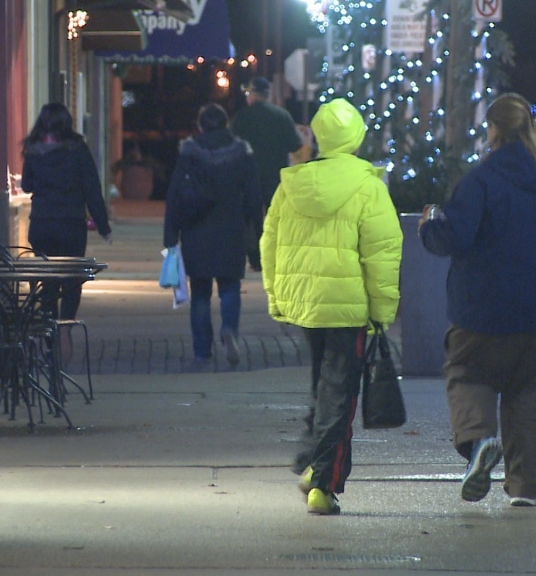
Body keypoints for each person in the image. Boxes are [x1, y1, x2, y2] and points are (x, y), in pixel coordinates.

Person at [418, 93, 536, 508]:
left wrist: (430, 225)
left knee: (467, 371)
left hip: (486, 310)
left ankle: (479, 443)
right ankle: (526, 489)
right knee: (532, 392)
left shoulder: (481, 180)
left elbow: (454, 237)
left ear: (494, 130)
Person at [260, 98, 402, 515]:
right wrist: (382, 311)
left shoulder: (292, 185)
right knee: (341, 394)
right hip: (349, 309)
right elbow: (382, 255)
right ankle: (324, 481)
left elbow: (270, 244)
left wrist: (277, 296)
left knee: (323, 383)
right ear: (356, 138)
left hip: (306, 305)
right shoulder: (369, 187)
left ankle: (313, 460)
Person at [163, 103, 261, 370]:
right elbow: (254, 199)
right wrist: (257, 246)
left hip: (197, 232)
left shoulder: (189, 152)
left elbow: (174, 195)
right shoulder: (242, 152)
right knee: (230, 288)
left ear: (201, 124)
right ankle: (229, 329)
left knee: (201, 293)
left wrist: (170, 237)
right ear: (227, 123)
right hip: (231, 230)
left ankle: (202, 351)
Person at [21, 102, 113, 361]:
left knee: (47, 284)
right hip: (71, 223)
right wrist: (103, 226)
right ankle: (66, 327)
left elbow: (27, 185)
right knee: (72, 279)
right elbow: (92, 190)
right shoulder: (78, 150)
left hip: (42, 223)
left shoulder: (33, 150)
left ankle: (50, 337)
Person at [230, 77, 304, 271]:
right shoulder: (282, 116)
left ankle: (255, 259)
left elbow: (230, 145)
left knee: (251, 219)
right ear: (268, 95)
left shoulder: (242, 117)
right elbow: (295, 144)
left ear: (253, 95)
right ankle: (276, 256)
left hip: (247, 177)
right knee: (276, 217)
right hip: (275, 177)